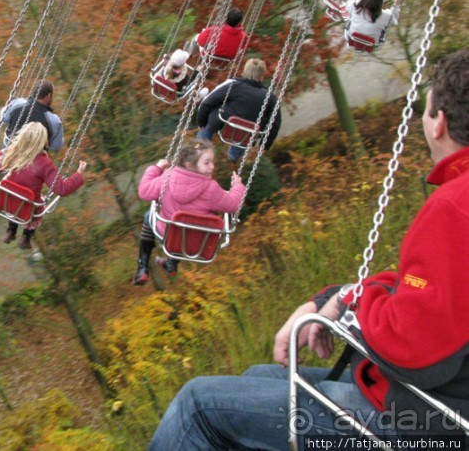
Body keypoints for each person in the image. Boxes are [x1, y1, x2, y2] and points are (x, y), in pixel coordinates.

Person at [149, 49, 469, 449]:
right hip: (436, 403)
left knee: (197, 406)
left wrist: (349, 301)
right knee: (255, 379)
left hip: (419, 422)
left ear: (438, 122)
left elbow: (415, 341)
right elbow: (428, 296)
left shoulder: (456, 206)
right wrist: (333, 299)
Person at [132, 141, 244, 284]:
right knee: (187, 227)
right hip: (199, 242)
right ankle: (171, 263)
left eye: (212, 162)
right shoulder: (211, 189)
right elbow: (234, 204)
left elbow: (144, 191)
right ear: (190, 164)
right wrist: (237, 186)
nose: (212, 167)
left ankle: (142, 266)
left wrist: (156, 168)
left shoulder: (167, 177)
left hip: (166, 235)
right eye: (207, 163)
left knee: (149, 216)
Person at [0, 122, 87, 249]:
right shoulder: (45, 164)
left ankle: (11, 231)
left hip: (8, 202)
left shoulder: (13, 153)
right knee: (37, 204)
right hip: (30, 209)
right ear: (45, 143)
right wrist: (78, 174)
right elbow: (62, 189)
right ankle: (26, 238)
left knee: (16, 200)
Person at [195, 58, 281, 162]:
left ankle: (200, 147)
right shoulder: (270, 97)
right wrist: (265, 145)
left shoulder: (233, 85)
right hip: (246, 133)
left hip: (223, 121)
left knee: (208, 123)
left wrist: (201, 122)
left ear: (244, 71)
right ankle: (233, 156)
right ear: (262, 77)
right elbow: (275, 124)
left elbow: (208, 101)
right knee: (245, 135)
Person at [0, 80, 64, 151]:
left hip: (8, 153)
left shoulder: (17, 104)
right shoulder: (54, 121)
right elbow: (56, 146)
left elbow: (3, 117)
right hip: (32, 160)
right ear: (49, 95)